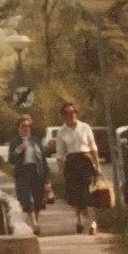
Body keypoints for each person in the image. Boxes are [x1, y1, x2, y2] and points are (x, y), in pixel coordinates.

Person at [47, 100, 102, 234]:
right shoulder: (61, 132)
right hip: (72, 162)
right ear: (63, 115)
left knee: (88, 192)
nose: (70, 115)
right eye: (67, 113)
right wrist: (61, 170)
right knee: (76, 193)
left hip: (85, 160)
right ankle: (78, 220)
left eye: (73, 112)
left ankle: (92, 222)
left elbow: (93, 146)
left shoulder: (85, 127)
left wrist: (97, 165)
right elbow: (60, 153)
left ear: (76, 113)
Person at [8, 113, 50, 231]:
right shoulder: (15, 141)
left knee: (37, 199)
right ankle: (33, 224)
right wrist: (18, 151)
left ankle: (35, 220)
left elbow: (43, 160)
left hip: (36, 171)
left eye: (28, 126)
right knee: (27, 199)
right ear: (18, 128)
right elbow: (11, 160)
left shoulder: (36, 141)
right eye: (23, 126)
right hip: (23, 173)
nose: (26, 128)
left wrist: (47, 179)